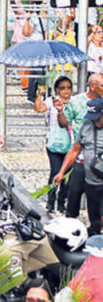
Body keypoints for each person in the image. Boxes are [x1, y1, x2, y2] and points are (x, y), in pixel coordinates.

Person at [54, 95, 103, 235]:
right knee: (94, 218)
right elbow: (75, 150)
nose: (95, 121)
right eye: (92, 117)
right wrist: (61, 172)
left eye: (98, 117)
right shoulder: (86, 126)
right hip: (91, 180)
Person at [34, 76, 74, 213]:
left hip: (71, 144)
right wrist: (39, 94)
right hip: (54, 142)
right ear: (57, 89)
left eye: (69, 87)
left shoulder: (74, 102)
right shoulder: (51, 101)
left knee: (67, 175)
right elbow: (39, 109)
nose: (66, 91)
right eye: (63, 88)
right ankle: (51, 201)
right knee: (55, 171)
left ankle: (61, 202)